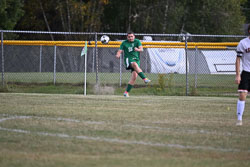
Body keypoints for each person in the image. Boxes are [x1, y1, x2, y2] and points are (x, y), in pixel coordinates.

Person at [116, 31, 151, 97]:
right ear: (127, 37)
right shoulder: (124, 43)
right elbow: (119, 51)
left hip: (137, 60)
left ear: (134, 36)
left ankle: (126, 92)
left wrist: (137, 49)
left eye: (132, 36)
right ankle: (144, 79)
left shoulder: (137, 41)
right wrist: (118, 55)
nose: (130, 38)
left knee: (134, 77)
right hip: (128, 60)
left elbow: (141, 49)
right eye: (129, 37)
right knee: (134, 64)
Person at [235, 24, 250, 126]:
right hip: (246, 72)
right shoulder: (243, 43)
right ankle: (239, 119)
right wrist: (238, 75)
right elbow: (238, 59)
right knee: (242, 95)